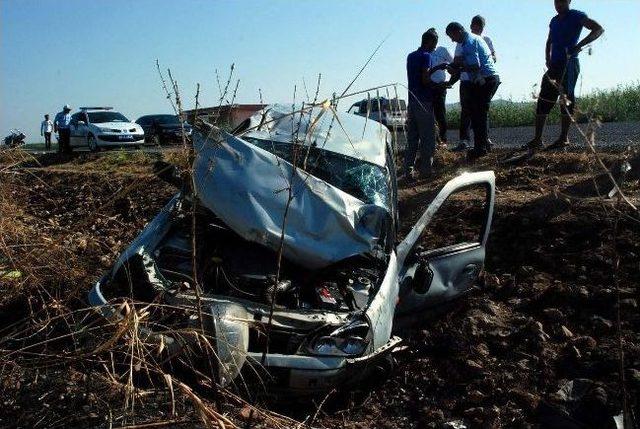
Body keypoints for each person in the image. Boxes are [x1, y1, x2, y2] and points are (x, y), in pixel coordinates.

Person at [525, 0, 604, 151]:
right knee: (543, 100)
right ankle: (537, 139)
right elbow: (549, 41)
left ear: (568, 1)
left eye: (561, 1)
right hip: (554, 66)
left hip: (569, 64)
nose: (558, 4)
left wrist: (579, 46)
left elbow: (598, 29)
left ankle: (563, 138)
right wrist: (547, 58)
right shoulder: (554, 20)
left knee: (566, 99)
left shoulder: (577, 16)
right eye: (556, 1)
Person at [446, 22, 500, 161]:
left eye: (452, 36)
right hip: (483, 79)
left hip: (486, 79)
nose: (452, 40)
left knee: (479, 115)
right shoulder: (470, 40)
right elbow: (462, 62)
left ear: (458, 31)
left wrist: (457, 70)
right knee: (477, 113)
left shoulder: (469, 42)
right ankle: (481, 147)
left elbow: (475, 66)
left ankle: (480, 149)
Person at [404, 30, 447, 179]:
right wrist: (440, 85)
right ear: (430, 42)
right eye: (434, 44)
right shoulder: (427, 56)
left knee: (412, 139)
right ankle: (426, 171)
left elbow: (419, 74)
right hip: (424, 102)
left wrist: (436, 68)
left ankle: (408, 171)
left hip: (412, 102)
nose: (435, 47)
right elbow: (425, 80)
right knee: (428, 138)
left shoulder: (411, 56)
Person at [427, 28, 454, 147]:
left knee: (440, 114)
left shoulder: (442, 50)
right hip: (428, 87)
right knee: (429, 115)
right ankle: (433, 141)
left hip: (440, 87)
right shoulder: (425, 53)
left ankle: (443, 141)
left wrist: (451, 79)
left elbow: (454, 64)